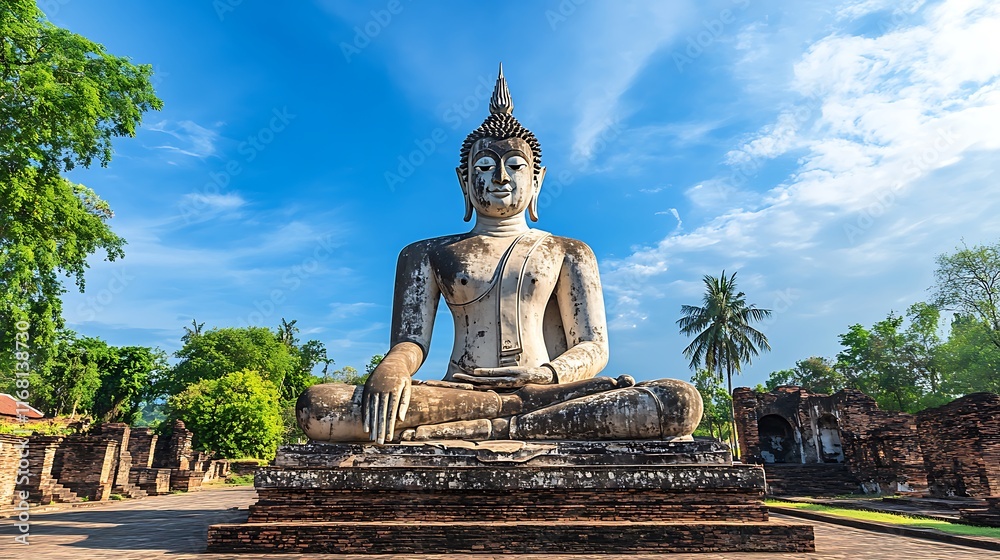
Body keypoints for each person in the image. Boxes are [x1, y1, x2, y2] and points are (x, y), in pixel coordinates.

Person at [297, 65, 701, 444]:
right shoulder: (425, 254)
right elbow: (411, 342)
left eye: (514, 166)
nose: (501, 178)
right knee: (319, 406)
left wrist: (547, 375)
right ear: (465, 181)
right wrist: (394, 368)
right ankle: (513, 419)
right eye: (486, 166)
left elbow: (593, 347)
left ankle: (500, 419)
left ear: (537, 181)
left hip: (547, 390)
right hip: (458, 393)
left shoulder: (568, 251)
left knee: (678, 401)